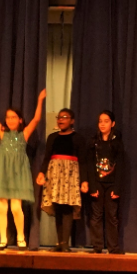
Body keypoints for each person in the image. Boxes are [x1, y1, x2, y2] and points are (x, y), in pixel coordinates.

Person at [0, 82, 46, 250]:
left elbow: (36, 119)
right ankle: (3, 240)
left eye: (14, 117)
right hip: (3, 172)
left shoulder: (24, 134)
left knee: (16, 207)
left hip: (17, 174)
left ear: (20, 120)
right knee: (1, 207)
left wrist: (40, 100)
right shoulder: (2, 132)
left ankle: (21, 238)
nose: (10, 120)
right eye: (8, 117)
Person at [38, 108, 86, 252]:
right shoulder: (52, 137)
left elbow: (83, 161)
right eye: (59, 117)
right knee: (58, 207)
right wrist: (42, 173)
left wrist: (84, 181)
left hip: (70, 175)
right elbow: (47, 157)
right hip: (55, 174)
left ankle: (65, 243)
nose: (61, 120)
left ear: (72, 121)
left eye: (65, 117)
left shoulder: (78, 138)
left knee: (67, 208)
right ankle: (60, 243)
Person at [84, 110, 125, 254]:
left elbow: (120, 166)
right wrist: (92, 186)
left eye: (106, 121)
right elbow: (89, 164)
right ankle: (97, 247)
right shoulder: (93, 142)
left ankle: (113, 248)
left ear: (112, 123)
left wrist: (117, 188)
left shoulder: (117, 143)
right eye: (100, 121)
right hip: (97, 183)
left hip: (112, 184)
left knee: (112, 216)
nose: (102, 124)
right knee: (96, 216)